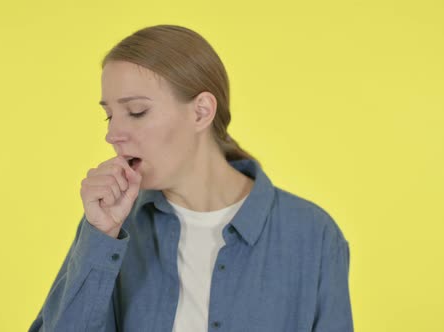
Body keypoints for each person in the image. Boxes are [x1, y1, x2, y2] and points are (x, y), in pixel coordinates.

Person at [28, 24, 353, 332]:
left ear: (201, 111)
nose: (113, 134)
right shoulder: (112, 229)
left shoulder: (314, 235)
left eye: (137, 111)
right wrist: (99, 236)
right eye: (109, 115)